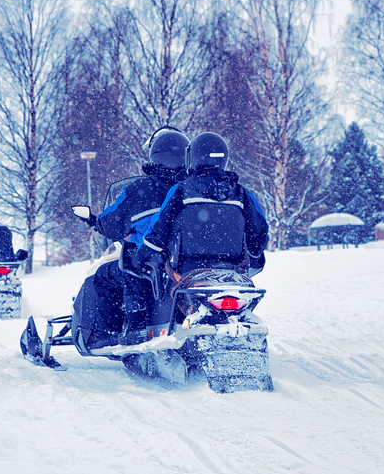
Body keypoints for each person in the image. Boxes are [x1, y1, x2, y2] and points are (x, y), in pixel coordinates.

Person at [80, 127, 189, 345]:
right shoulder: (191, 188)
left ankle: (113, 333)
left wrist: (95, 221)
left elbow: (110, 224)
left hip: (151, 261)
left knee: (104, 277)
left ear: (155, 155)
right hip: (185, 262)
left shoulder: (139, 189)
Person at [139, 132, 269, 278]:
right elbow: (260, 231)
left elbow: (160, 228)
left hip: (186, 270)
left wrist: (145, 254)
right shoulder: (241, 193)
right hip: (233, 270)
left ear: (192, 157)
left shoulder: (181, 190)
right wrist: (255, 254)